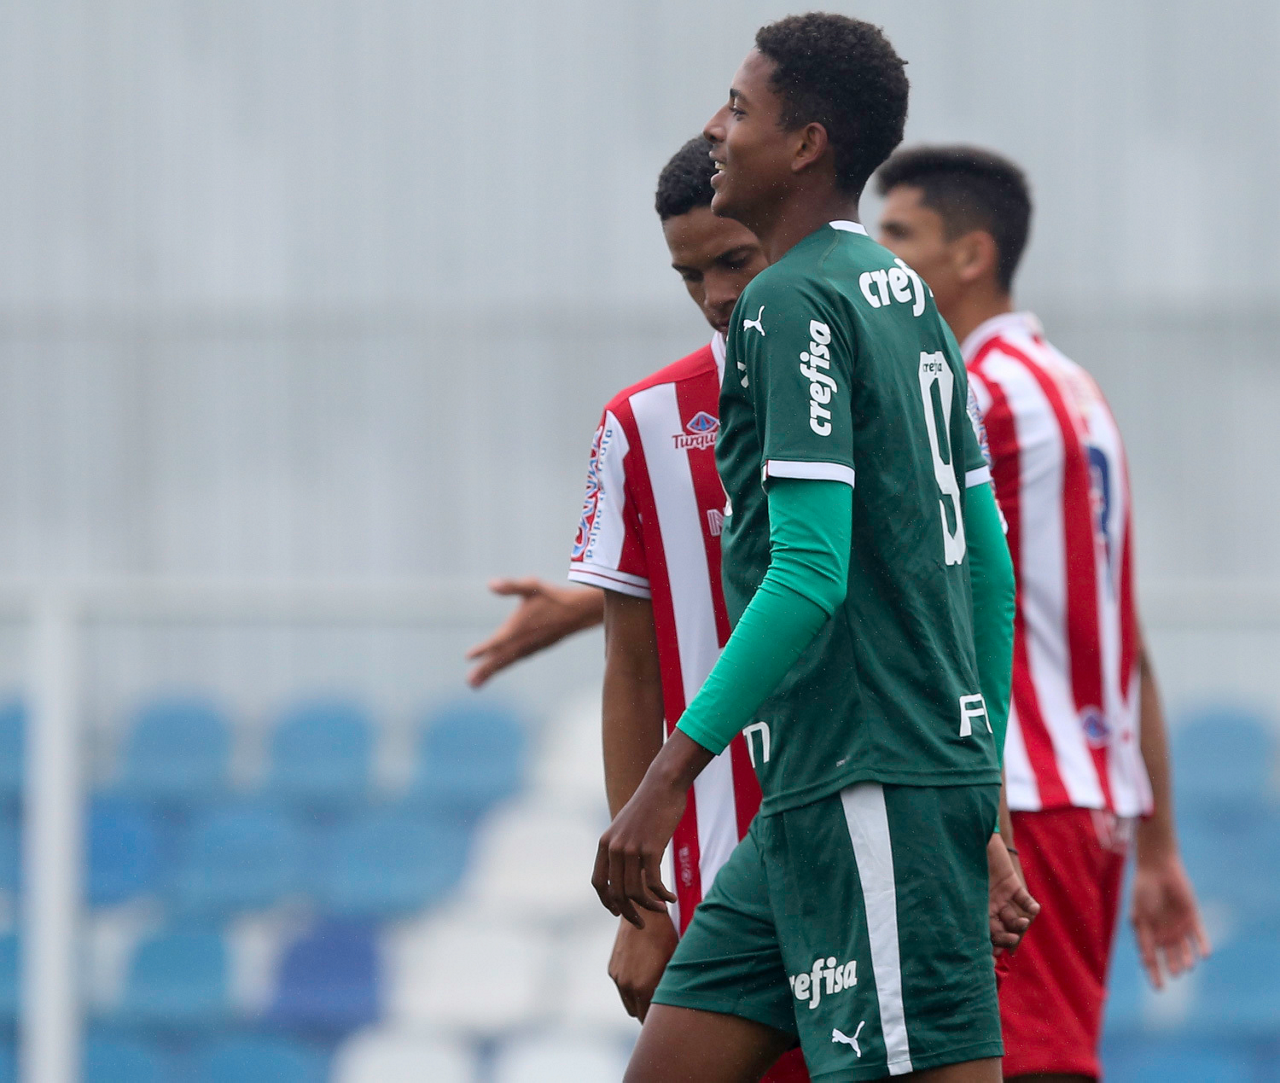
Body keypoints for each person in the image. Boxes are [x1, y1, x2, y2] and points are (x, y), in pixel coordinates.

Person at [594, 15, 1018, 1082]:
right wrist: (982, 793)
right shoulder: (903, 294)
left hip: (868, 782)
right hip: (813, 796)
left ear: (804, 145)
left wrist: (667, 777)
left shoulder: (787, 304)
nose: (716, 127)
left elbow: (808, 572)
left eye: (740, 108)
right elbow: (986, 567)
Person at [874, 145, 1209, 1082]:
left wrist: (609, 601)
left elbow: (850, 563)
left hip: (1017, 796)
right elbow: (1123, 637)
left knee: (1013, 1065)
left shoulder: (974, 395)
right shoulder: (1077, 392)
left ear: (970, 254)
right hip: (1089, 798)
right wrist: (1157, 841)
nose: (875, 257)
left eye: (897, 234)